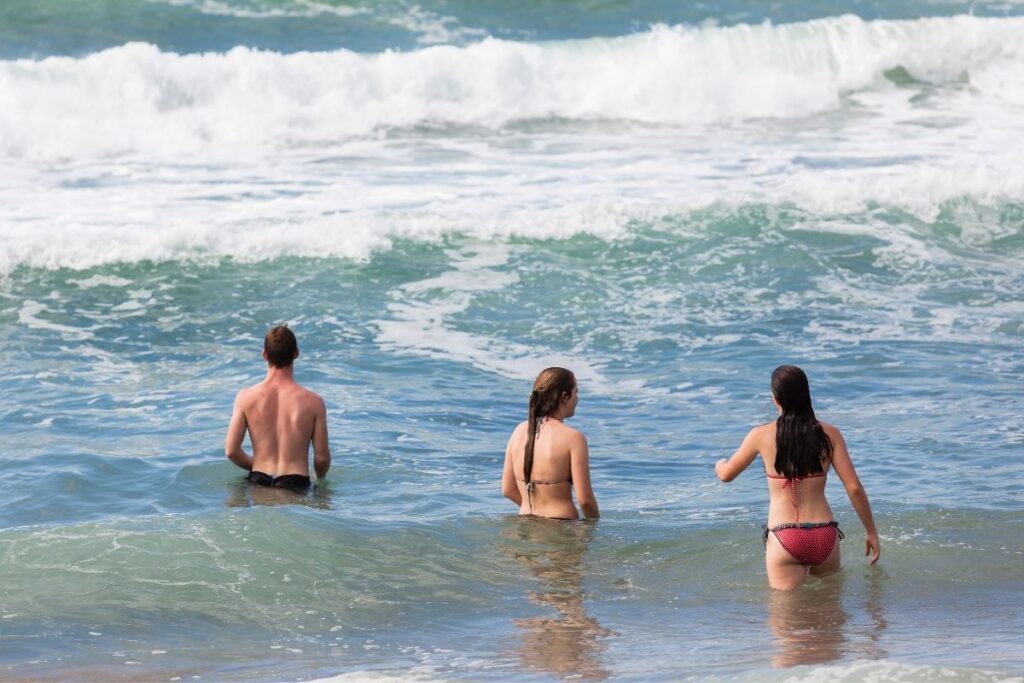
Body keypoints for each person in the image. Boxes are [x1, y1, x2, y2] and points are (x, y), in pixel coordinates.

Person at [715, 365, 879, 590]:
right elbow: (854, 488)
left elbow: (726, 475)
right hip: (824, 533)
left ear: (776, 399)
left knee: (785, 619)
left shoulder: (760, 435)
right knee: (829, 615)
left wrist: (719, 464)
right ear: (806, 394)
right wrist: (871, 531)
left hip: (785, 534)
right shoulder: (830, 435)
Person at [225, 325, 330, 491]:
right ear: (296, 353)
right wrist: (321, 482)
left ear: (265, 355)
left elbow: (231, 451)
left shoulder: (245, 397)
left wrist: (257, 466)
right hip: (296, 483)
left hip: (258, 479)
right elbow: (321, 459)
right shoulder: (314, 402)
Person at [502, 367, 599, 520]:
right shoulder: (574, 438)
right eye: (576, 392)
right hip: (562, 527)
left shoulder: (518, 431)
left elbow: (508, 489)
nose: (577, 399)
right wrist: (594, 528)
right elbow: (585, 501)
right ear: (564, 397)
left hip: (526, 524)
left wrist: (538, 517)